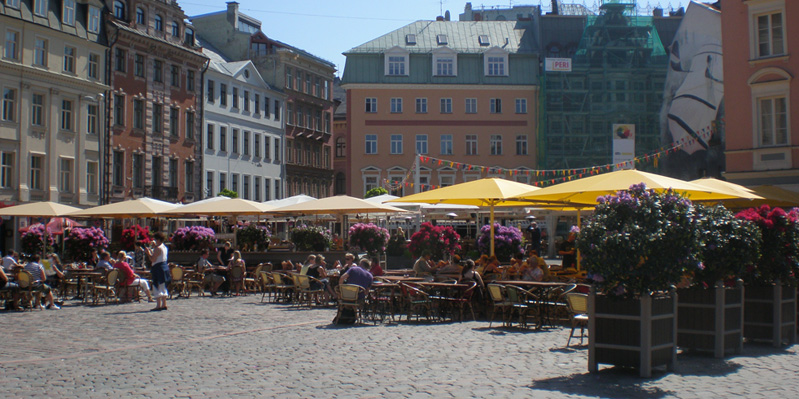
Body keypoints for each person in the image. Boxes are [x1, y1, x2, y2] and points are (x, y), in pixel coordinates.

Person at [144, 233, 170, 311]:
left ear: (158, 240)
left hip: (158, 267)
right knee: (163, 286)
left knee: (157, 285)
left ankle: (158, 305)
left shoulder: (158, 248)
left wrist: (148, 253)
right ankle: (164, 304)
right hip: (164, 267)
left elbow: (153, 259)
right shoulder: (165, 247)